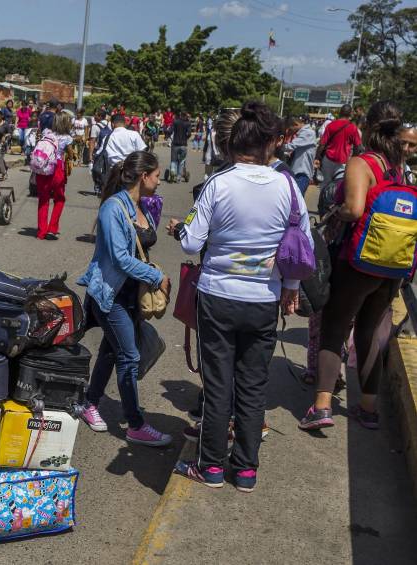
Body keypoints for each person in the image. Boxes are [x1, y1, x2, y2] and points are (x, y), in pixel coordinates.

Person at [168, 101, 311, 492]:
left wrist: (183, 229)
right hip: (264, 299)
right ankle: (246, 470)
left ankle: (211, 467)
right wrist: (291, 290)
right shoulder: (287, 187)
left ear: (232, 144)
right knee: (253, 386)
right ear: (269, 145)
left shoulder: (219, 183)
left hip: (217, 296)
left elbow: (190, 243)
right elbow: (302, 243)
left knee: (219, 385)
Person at [299, 101, 406, 432]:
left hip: (358, 261)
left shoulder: (363, 162)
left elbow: (356, 208)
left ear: (368, 127)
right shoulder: (399, 166)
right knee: (370, 331)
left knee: (334, 327)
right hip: (392, 265)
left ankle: (321, 405)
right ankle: (368, 408)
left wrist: (337, 211)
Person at [77, 151, 172, 446]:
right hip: (111, 294)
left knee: (111, 350)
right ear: (143, 177)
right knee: (129, 357)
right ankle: (135, 424)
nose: (160, 181)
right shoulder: (112, 208)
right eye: (157, 176)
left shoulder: (139, 205)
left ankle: (89, 402)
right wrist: (157, 277)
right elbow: (119, 258)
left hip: (132, 295)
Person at [35, 111, 73, 240]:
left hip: (44, 167)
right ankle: (52, 228)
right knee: (59, 199)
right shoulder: (67, 138)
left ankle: (41, 231)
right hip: (57, 169)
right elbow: (71, 154)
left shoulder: (46, 133)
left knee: (43, 199)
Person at [316, 104, 363, 193]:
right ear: (350, 114)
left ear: (340, 113)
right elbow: (358, 147)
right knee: (339, 187)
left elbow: (322, 144)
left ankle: (322, 205)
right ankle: (333, 205)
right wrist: (353, 160)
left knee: (325, 184)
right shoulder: (352, 128)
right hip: (343, 163)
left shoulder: (331, 125)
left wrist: (317, 157)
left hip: (328, 160)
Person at [283, 115, 317, 195]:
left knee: (296, 201)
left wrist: (276, 146)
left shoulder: (308, 133)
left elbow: (291, 146)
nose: (291, 131)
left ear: (295, 124)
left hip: (302, 173)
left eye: (291, 129)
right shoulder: (303, 133)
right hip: (297, 172)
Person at [169, 111, 191, 182]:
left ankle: (172, 171)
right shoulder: (188, 123)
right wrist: (185, 137)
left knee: (174, 160)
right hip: (183, 145)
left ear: (180, 115)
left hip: (175, 144)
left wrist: (169, 135)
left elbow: (170, 130)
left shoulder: (175, 122)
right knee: (181, 161)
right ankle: (178, 177)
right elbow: (189, 133)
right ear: (186, 116)